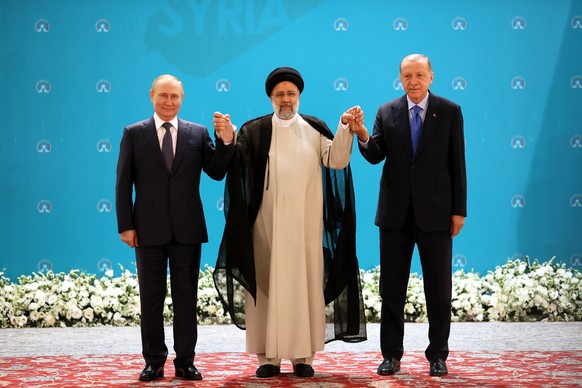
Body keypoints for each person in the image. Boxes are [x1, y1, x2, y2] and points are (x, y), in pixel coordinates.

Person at [213, 67, 367, 378]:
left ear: (299, 96)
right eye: (280, 94)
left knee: (303, 288)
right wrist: (228, 138)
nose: (286, 100)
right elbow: (236, 162)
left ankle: (302, 356)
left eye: (291, 94)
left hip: (305, 229)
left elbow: (336, 159)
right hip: (265, 228)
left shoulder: (314, 128)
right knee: (266, 289)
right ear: (271, 97)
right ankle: (266, 358)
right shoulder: (255, 130)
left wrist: (345, 127)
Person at [115, 74, 235, 381]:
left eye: (175, 97)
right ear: (152, 95)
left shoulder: (198, 133)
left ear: (182, 99)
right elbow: (122, 183)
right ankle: (154, 361)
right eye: (163, 95)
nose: (169, 102)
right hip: (147, 230)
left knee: (186, 298)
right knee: (150, 298)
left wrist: (226, 141)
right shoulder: (134, 133)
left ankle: (185, 361)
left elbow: (217, 171)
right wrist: (125, 226)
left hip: (187, 230)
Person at [355, 54, 467, 377]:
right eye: (407, 76)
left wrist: (459, 210)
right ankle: (391, 354)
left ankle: (438, 355)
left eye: (420, 75)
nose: (413, 81)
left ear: (431, 76)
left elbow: (457, 162)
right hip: (394, 216)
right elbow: (375, 155)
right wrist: (362, 133)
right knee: (391, 290)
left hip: (436, 214)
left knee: (438, 288)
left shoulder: (449, 111)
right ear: (400, 79)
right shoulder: (386, 112)